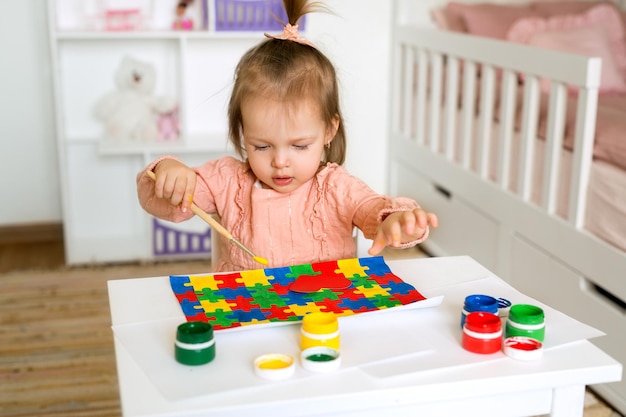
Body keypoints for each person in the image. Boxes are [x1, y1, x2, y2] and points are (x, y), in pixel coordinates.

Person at [137, 0, 438, 272]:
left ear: (329, 131)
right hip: (251, 314)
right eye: (262, 145)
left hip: (324, 315)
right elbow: (168, 202)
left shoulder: (336, 186)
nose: (280, 161)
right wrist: (168, 173)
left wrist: (396, 222)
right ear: (244, 132)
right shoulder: (227, 180)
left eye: (299, 146)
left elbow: (374, 210)